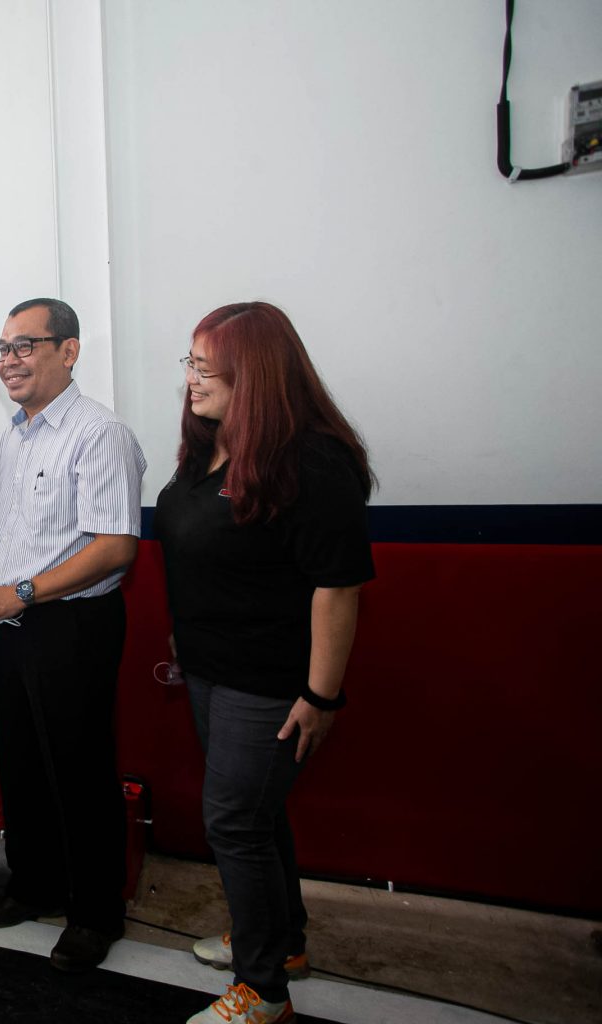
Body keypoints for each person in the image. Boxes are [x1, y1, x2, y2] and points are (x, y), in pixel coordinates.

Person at [155, 302, 373, 1024]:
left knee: (234, 824)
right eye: (189, 363)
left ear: (255, 374)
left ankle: (263, 991)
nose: (190, 379)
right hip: (211, 670)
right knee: (257, 813)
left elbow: (337, 588)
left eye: (205, 366)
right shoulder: (210, 447)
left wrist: (321, 696)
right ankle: (284, 945)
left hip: (271, 682)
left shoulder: (312, 460)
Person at [0, 298, 146, 972]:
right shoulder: (17, 434)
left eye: (24, 346)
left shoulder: (100, 433)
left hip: (72, 625)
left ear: (68, 351)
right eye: (2, 349)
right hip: (14, 619)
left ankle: (95, 913)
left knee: (79, 770)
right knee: (22, 763)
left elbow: (115, 546)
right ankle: (33, 885)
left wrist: (19, 591)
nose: (9, 361)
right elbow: (2, 518)